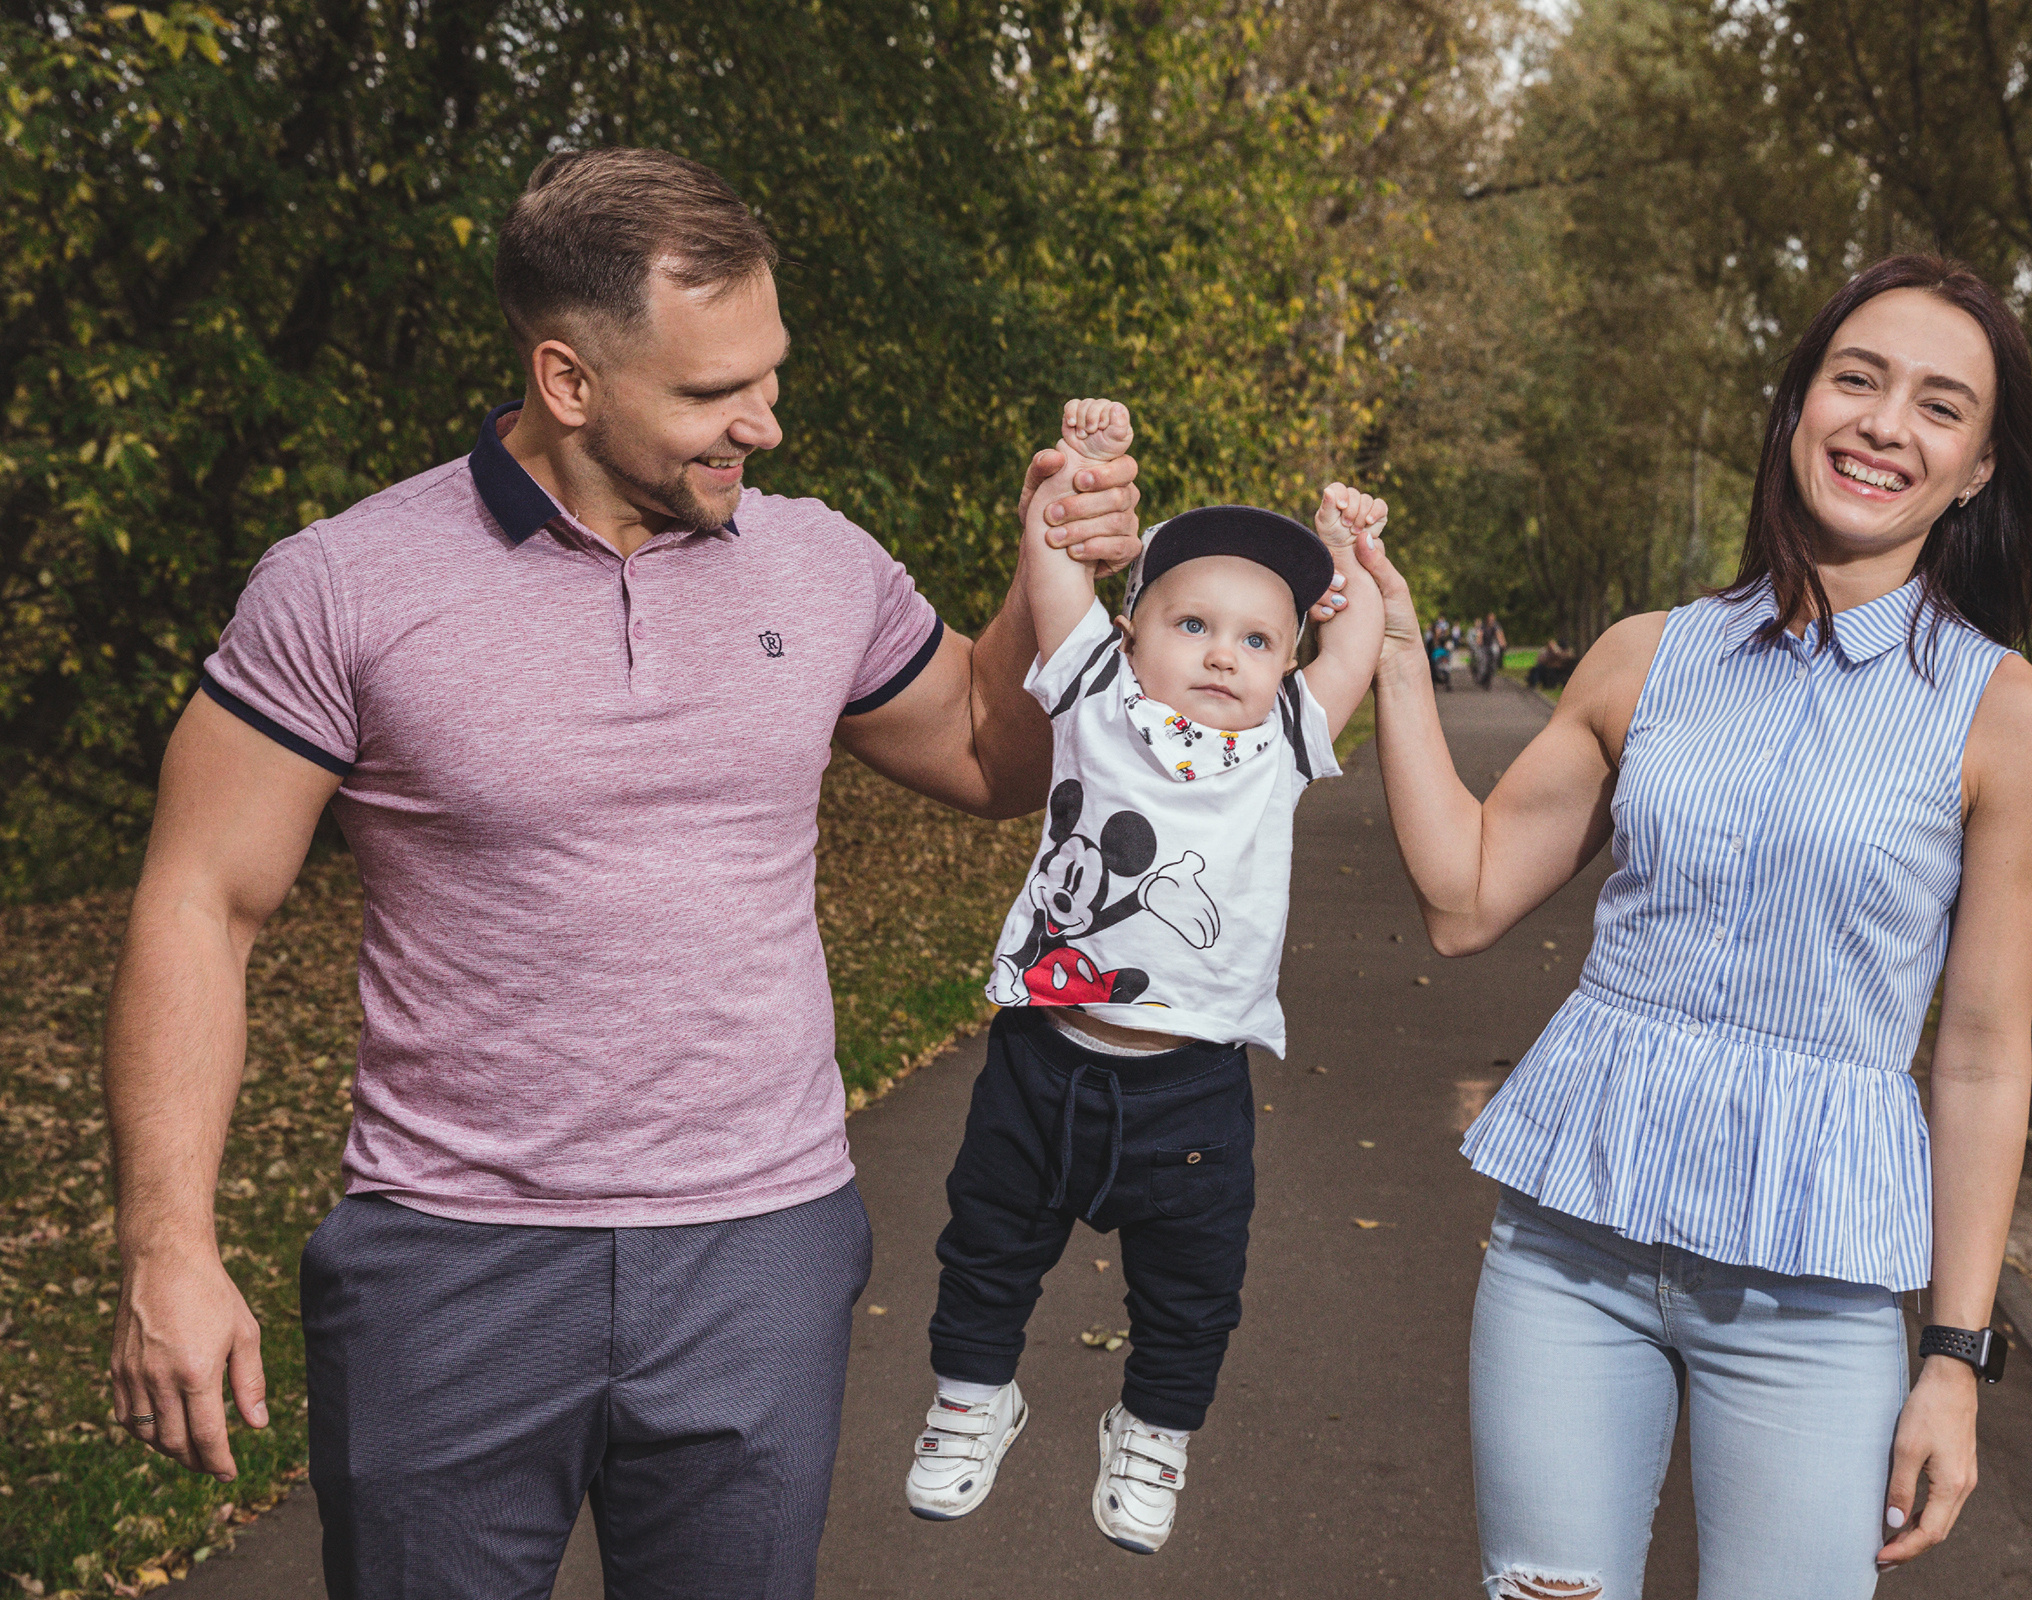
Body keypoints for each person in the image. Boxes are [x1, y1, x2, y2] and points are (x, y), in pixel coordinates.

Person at [96, 151, 1336, 1596]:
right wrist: (166, 1245)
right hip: (450, 1262)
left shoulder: (817, 566)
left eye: (769, 372)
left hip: (762, 1250)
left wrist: (1041, 564)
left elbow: (997, 763)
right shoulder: (343, 584)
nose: (765, 418)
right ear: (567, 379)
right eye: (710, 394)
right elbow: (200, 900)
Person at [1351, 255, 2032, 1598]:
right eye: (1854, 380)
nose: (1881, 424)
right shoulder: (1646, 656)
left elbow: (1979, 1057)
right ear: (1799, 401)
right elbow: (1462, 902)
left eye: (1939, 405)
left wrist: (1956, 1360)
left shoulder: (2013, 721)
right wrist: (1398, 658)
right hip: (1568, 1262)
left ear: (1977, 467)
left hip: (1814, 1304)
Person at [901, 400, 1391, 1555]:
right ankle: (974, 1397)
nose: (1224, 651)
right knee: (986, 1241)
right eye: (1192, 623)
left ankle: (1157, 1427)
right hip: (1044, 1059)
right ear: (1132, 638)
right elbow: (1056, 572)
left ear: (1284, 669)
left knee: (1193, 1289)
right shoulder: (1093, 698)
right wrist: (1084, 473)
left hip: (1190, 1089)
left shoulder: (1283, 747)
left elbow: (1357, 645)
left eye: (1259, 639)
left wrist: (1353, 551)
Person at [1472, 612, 1508, 689]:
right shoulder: (1483, 626)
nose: (1491, 620)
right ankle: (1480, 676)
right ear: (1487, 619)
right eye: (1490, 618)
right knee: (1483, 661)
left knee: (1494, 658)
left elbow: (1499, 635)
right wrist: (1479, 642)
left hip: (1491, 645)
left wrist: (1502, 643)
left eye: (1493, 618)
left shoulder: (1496, 625)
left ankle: (1491, 675)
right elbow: (1479, 635)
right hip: (1483, 646)